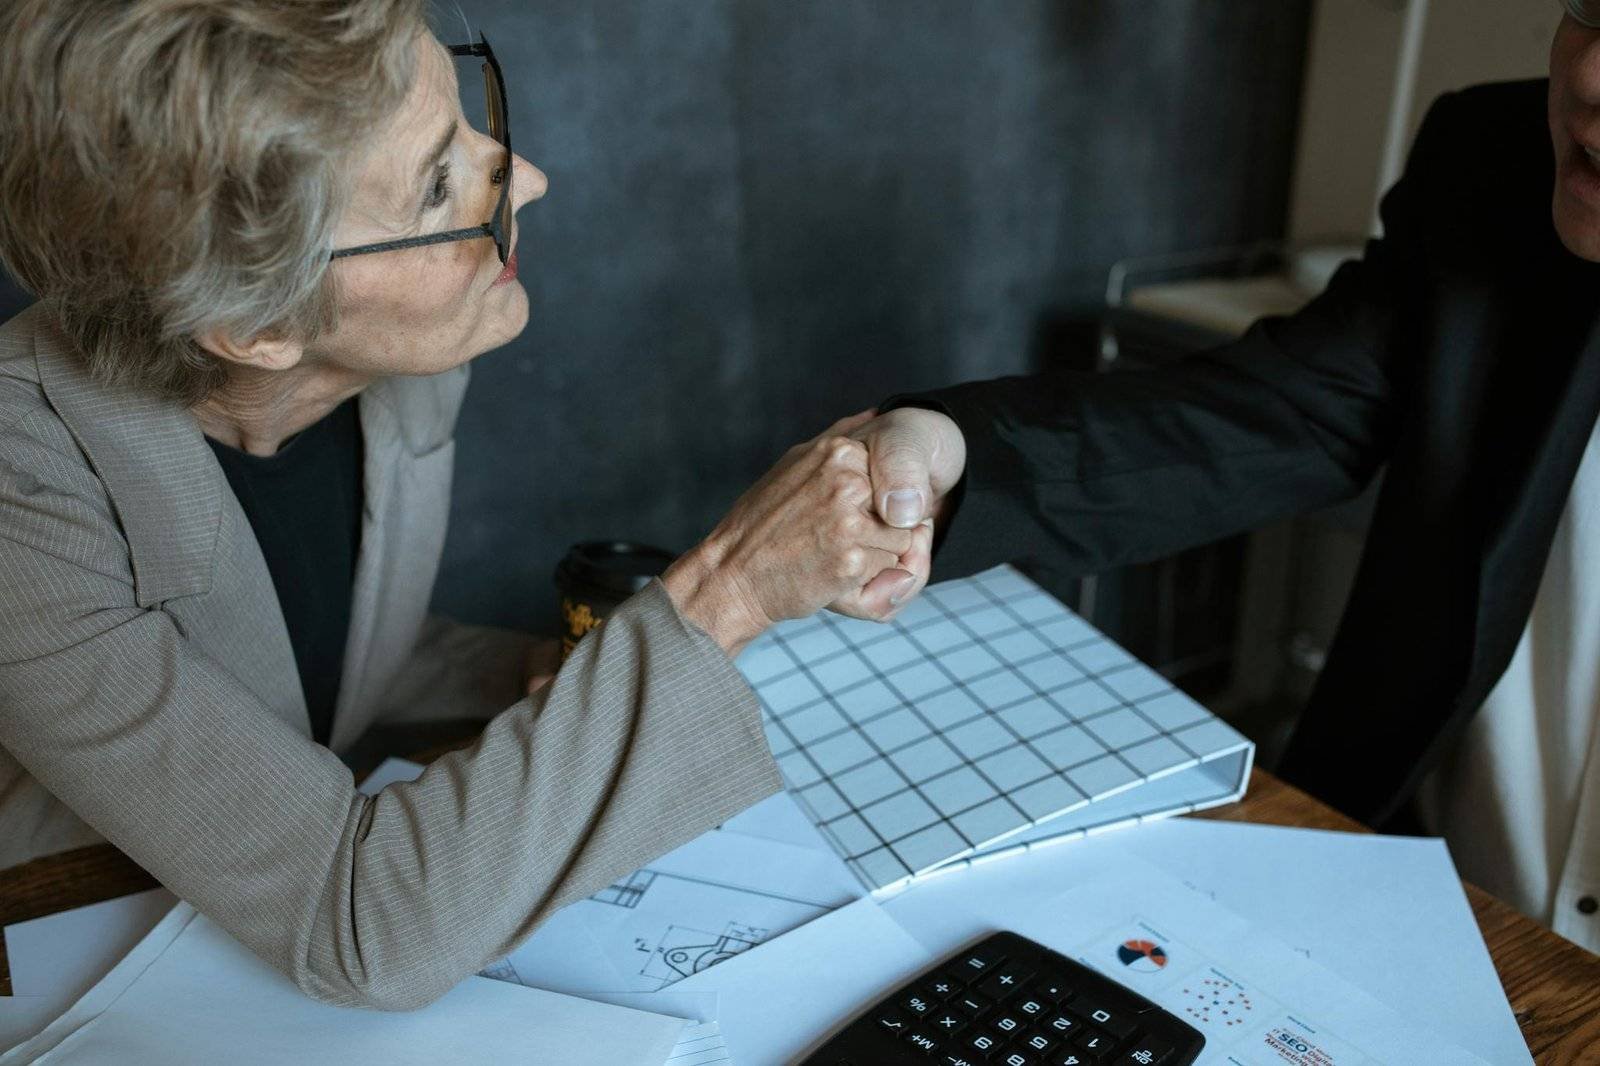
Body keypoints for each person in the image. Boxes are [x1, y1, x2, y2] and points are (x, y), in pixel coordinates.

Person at [0, 0, 927, 1008]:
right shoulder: (20, 491)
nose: (524, 179)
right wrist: (732, 588)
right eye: (441, 182)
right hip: (70, 945)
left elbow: (307, 654)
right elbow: (363, 927)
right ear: (256, 322)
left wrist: (549, 680)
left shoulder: (400, 358)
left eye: (467, 118)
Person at [846, 1, 1600, 952]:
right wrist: (947, 446)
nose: (1593, 80)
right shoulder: (1492, 162)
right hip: (1403, 897)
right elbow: (1256, 421)